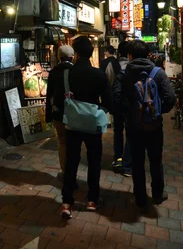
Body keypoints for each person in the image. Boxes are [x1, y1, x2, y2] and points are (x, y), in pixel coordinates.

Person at [120, 40, 176, 211]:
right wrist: (158, 113)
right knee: (155, 160)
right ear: (147, 54)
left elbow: (118, 99)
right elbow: (170, 98)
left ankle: (140, 197)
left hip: (134, 127)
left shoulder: (125, 74)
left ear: (130, 56)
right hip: (154, 126)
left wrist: (129, 115)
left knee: (137, 162)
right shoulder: (158, 73)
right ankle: (157, 194)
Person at [61, 36, 112, 218]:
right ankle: (92, 199)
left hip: (73, 124)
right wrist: (100, 110)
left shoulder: (68, 73)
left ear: (75, 53)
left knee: (71, 161)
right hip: (92, 124)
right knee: (94, 161)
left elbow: (61, 99)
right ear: (91, 53)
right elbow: (108, 100)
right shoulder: (99, 74)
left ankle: (67, 202)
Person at [45, 45, 75, 177]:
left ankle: (64, 172)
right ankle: (73, 171)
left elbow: (49, 94)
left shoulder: (53, 72)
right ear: (73, 57)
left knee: (62, 141)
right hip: (74, 112)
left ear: (59, 57)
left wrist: (48, 115)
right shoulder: (76, 71)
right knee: (74, 142)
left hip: (58, 111)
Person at [111, 41, 132, 177]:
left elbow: (108, 83)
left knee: (118, 132)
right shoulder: (134, 66)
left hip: (118, 106)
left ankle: (118, 158)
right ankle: (128, 163)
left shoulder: (112, 65)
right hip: (131, 107)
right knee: (130, 134)